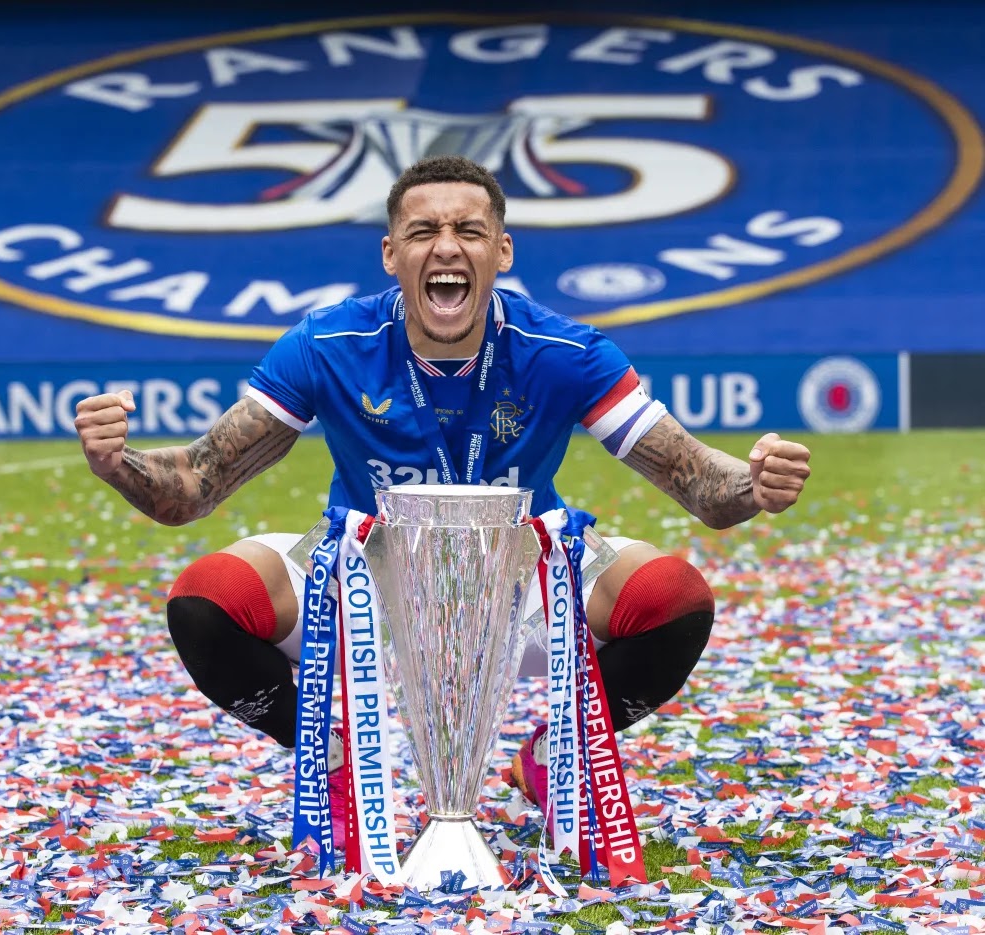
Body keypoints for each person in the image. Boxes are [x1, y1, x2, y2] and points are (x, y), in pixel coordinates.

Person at [73, 155, 812, 837]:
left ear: (502, 251)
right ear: (391, 254)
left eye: (469, 230)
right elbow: (195, 483)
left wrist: (755, 483)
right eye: (423, 231)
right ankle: (331, 758)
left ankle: (554, 755)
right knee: (207, 600)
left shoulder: (566, 352)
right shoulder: (328, 344)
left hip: (522, 585)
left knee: (674, 598)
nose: (447, 247)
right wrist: (118, 463)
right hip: (368, 584)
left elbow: (701, 484)